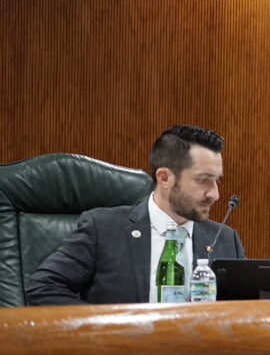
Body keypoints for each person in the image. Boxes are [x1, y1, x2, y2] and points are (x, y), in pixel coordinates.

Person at [26, 125, 244, 305]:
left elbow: (244, 309)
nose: (215, 194)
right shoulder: (103, 228)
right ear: (165, 178)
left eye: (217, 180)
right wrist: (107, 329)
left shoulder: (226, 240)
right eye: (203, 179)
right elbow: (44, 287)